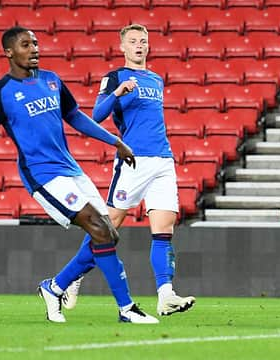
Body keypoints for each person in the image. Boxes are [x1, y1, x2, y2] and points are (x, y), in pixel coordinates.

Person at [0, 26, 158, 324]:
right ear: (9, 52)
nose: (34, 49)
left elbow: (76, 117)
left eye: (36, 43)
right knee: (99, 228)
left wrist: (115, 141)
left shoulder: (52, 80)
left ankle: (54, 288)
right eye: (26, 45)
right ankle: (126, 309)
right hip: (43, 176)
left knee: (109, 234)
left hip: (71, 169)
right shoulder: (1, 94)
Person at [53, 24, 195, 317]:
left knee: (164, 228)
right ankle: (67, 279)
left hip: (163, 160)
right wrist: (118, 92)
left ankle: (165, 294)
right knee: (108, 227)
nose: (139, 46)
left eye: (143, 41)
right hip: (133, 161)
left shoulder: (156, 79)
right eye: (133, 41)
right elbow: (96, 114)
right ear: (123, 47)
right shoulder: (115, 77)